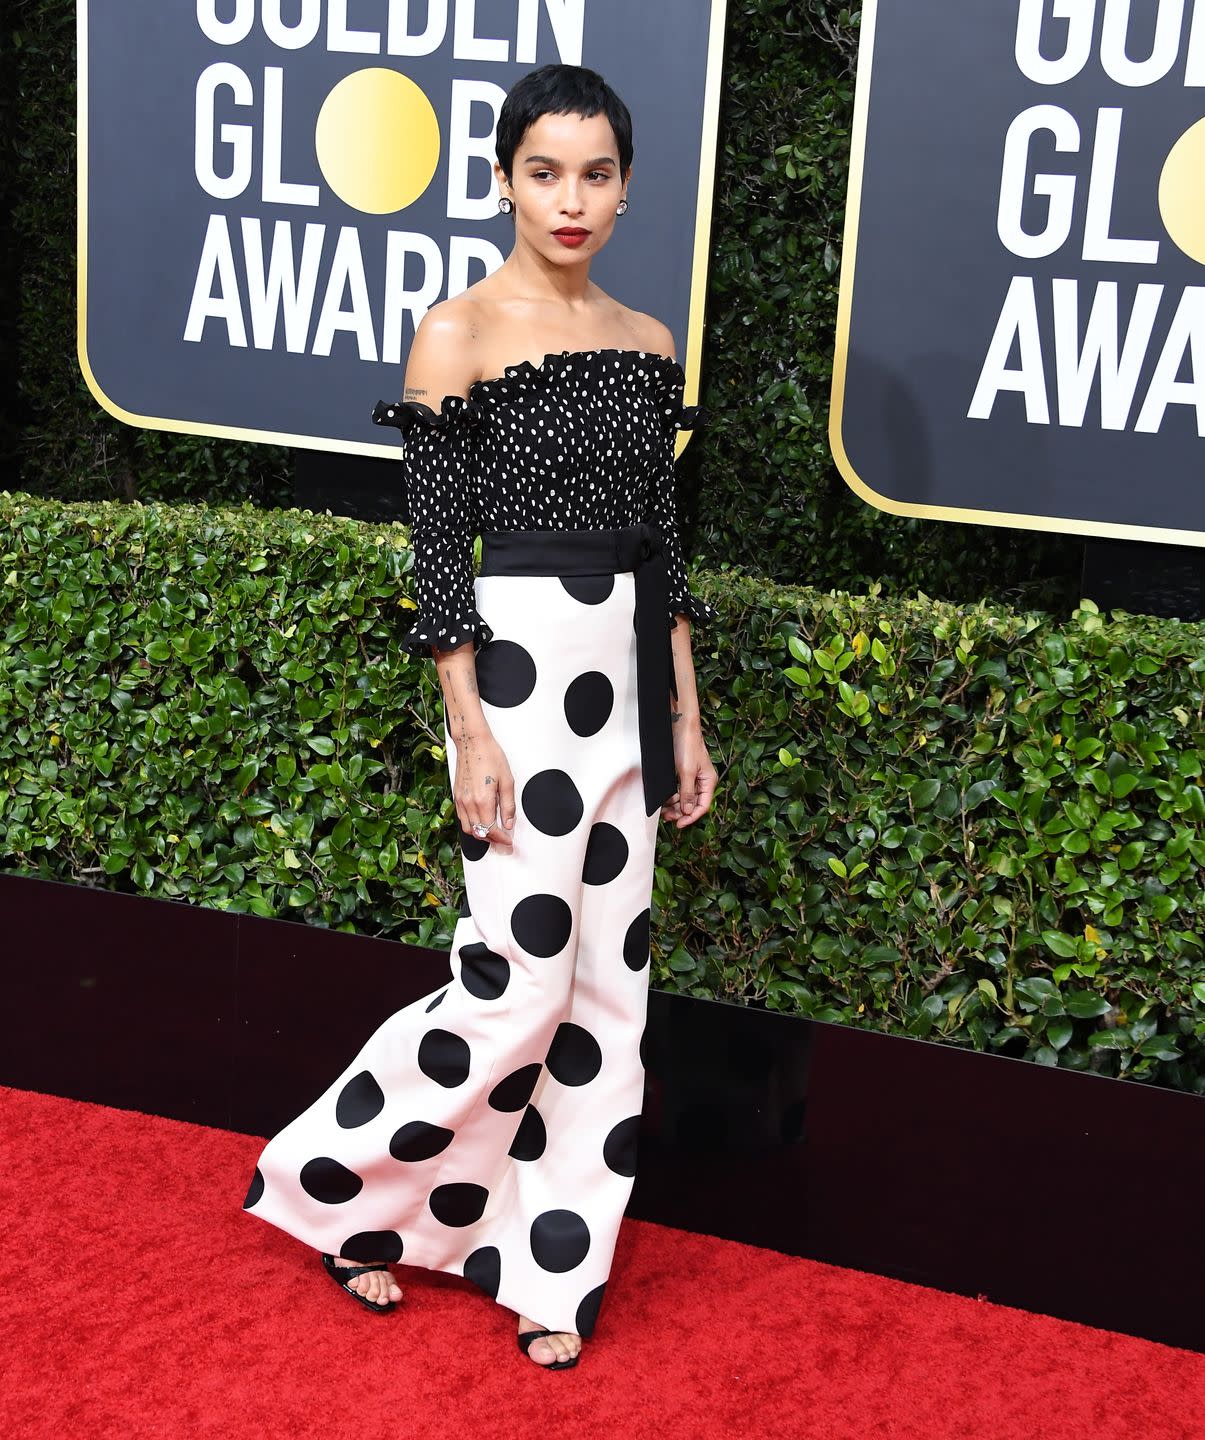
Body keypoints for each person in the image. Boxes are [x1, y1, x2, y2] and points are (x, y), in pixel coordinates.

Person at [242, 62, 718, 1371]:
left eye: (598, 172)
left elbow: (662, 548)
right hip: (519, 674)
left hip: (624, 682)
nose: (572, 198)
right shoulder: (457, 331)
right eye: (545, 170)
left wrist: (684, 715)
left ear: (625, 187)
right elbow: (439, 548)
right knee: (510, 990)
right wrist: (469, 724)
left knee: (608, 996)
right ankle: (338, 1188)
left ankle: (552, 1270)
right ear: (505, 179)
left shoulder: (646, 343)